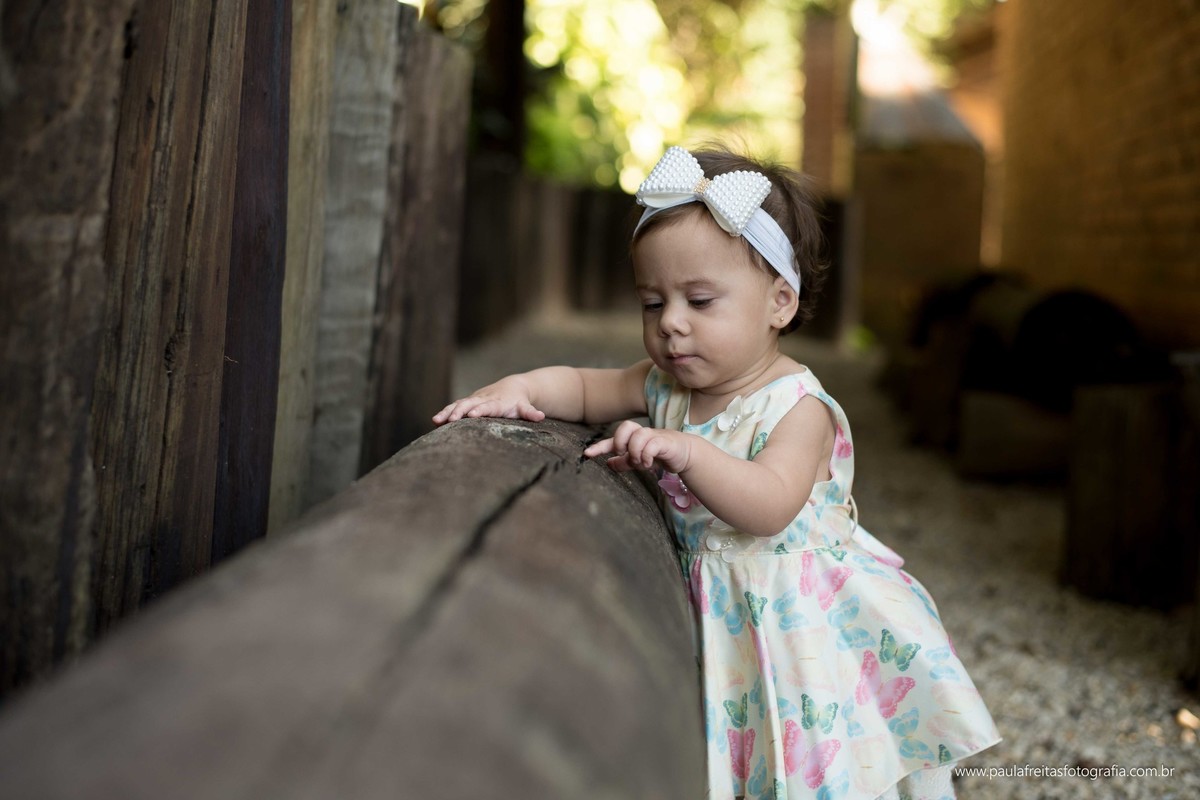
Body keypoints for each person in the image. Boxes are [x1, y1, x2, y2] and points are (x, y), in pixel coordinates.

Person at [433, 145, 1000, 799]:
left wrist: (691, 453)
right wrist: (519, 385)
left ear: (779, 303)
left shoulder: (797, 408)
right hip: (719, 615)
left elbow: (769, 504)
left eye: (700, 300)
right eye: (653, 303)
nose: (671, 323)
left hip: (792, 627)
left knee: (806, 765)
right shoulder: (664, 385)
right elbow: (586, 389)